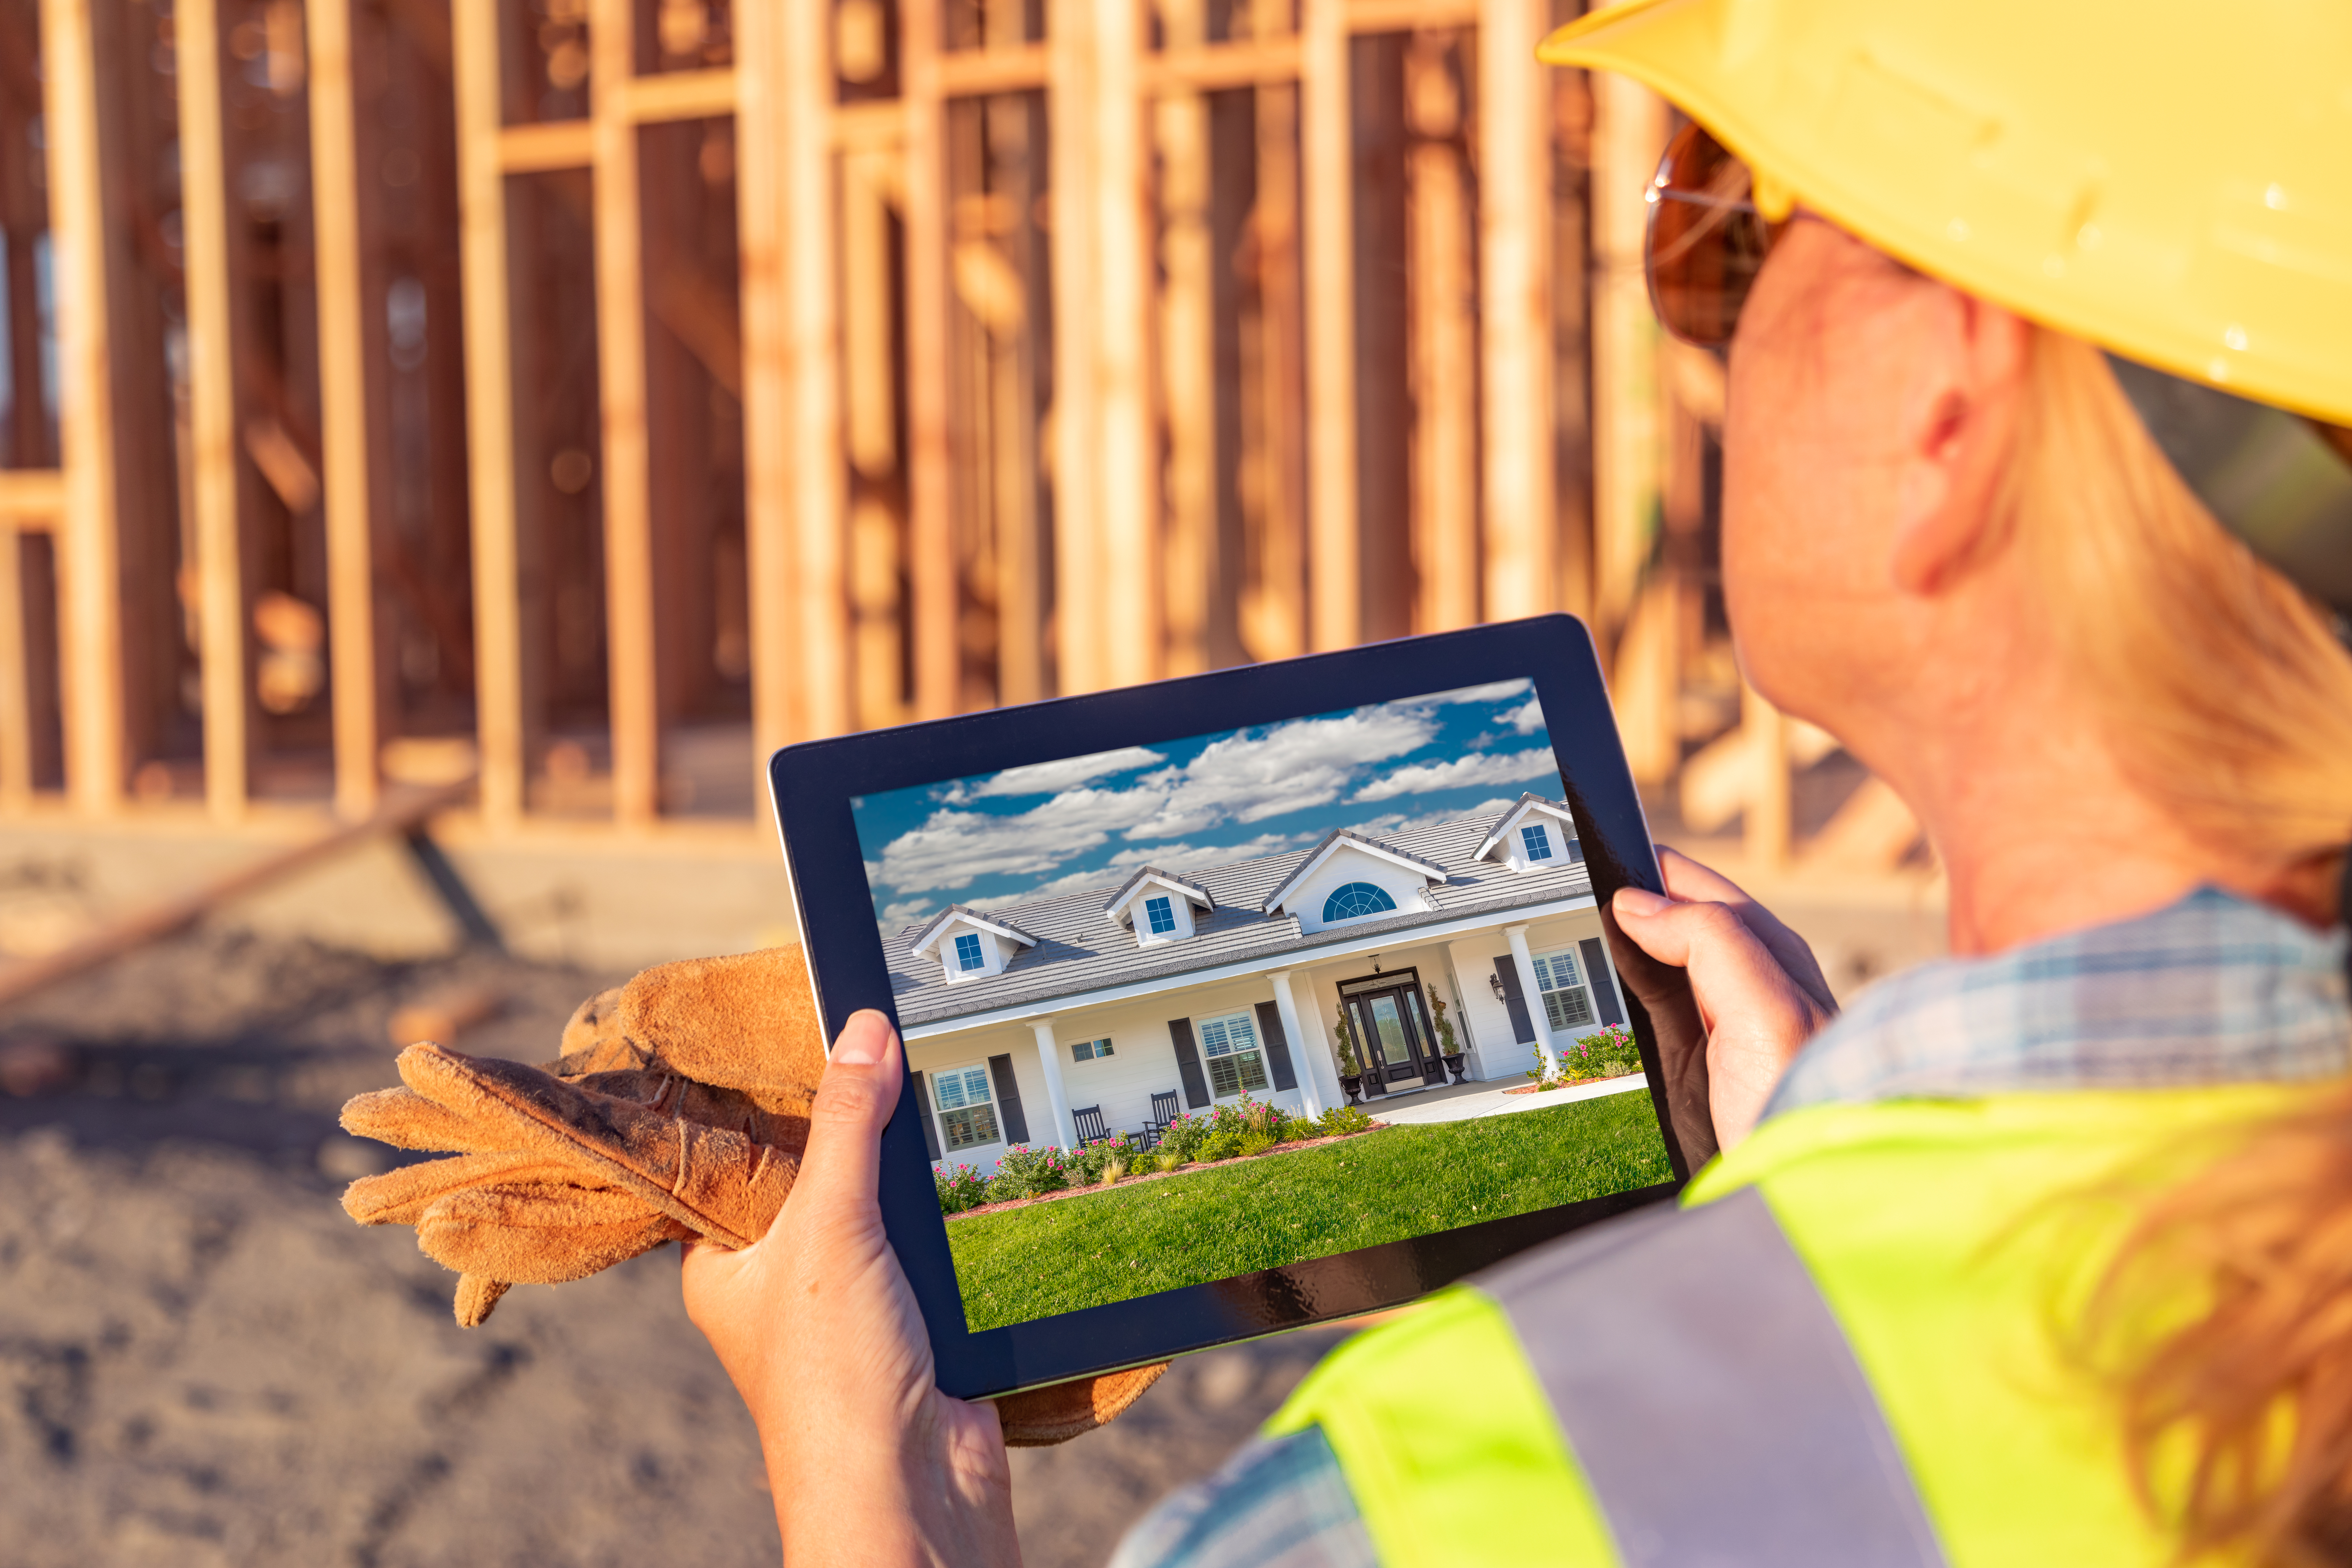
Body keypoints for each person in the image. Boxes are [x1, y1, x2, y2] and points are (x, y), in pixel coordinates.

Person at [682, 0, 2352, 1561]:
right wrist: (1830, 1169)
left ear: (1949, 412)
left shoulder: (1430, 1498)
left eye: (1735, 224)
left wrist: (874, 1495)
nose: (1706, 329)